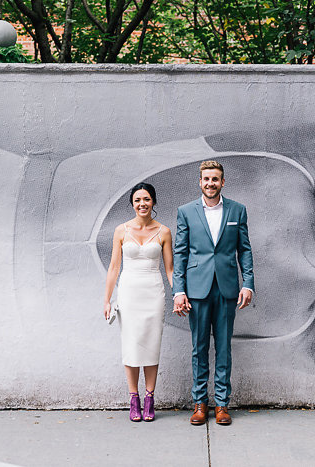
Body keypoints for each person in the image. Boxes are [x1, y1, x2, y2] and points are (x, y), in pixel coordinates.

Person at [172, 160, 255, 426]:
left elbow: (245, 249)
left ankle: (221, 404)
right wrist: (178, 291)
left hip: (227, 287)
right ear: (200, 182)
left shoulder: (237, 210)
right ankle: (199, 404)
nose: (210, 183)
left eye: (215, 179)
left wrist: (248, 283)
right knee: (199, 348)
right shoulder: (186, 212)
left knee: (223, 348)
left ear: (222, 182)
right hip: (197, 289)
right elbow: (180, 253)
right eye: (206, 179)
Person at [103, 182, 174, 422]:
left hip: (153, 292)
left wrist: (179, 294)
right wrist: (107, 300)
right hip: (129, 292)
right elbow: (114, 267)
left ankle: (150, 397)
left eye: (146, 199)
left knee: (151, 345)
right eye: (137, 200)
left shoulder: (164, 231)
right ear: (132, 204)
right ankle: (134, 399)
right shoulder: (121, 231)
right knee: (131, 346)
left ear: (153, 201)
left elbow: (170, 269)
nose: (142, 204)